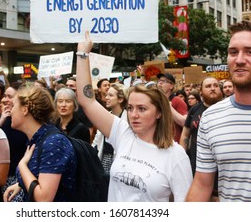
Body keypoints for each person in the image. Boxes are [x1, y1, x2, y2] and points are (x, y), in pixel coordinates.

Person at [76, 31, 192, 202]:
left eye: (142, 109)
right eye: (130, 108)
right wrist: (83, 54)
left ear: (159, 112)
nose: (133, 115)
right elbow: (88, 101)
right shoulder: (123, 134)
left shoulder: (176, 155)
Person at [186, 20, 251, 202]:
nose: (239, 60)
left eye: (250, 51)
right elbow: (201, 184)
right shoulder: (210, 118)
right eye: (233, 52)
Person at [3, 85, 77, 202]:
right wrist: (20, 185)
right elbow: (38, 177)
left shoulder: (54, 143)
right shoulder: (37, 138)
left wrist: (22, 166)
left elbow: (44, 199)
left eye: (13, 106)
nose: (10, 111)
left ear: (25, 109)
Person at [180, 77, 223, 175]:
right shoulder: (194, 110)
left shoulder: (227, 109)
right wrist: (182, 156)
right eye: (208, 86)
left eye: (216, 86)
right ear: (201, 92)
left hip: (222, 167)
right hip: (198, 165)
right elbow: (185, 134)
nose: (212, 88)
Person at [0, 82, 28, 201]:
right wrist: (0, 122)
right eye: (4, 96)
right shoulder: (1, 119)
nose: (5, 100)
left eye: (10, 97)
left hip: (18, 178)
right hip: (0, 176)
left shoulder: (25, 122)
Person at [92, 83, 128, 174]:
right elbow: (97, 140)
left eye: (111, 95)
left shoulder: (129, 119)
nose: (106, 97)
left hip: (122, 163)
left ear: (120, 99)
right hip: (104, 159)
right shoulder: (105, 117)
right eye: (107, 94)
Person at [157, 72, 188, 143]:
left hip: (173, 143)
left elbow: (184, 122)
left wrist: (168, 106)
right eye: (159, 81)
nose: (160, 83)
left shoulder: (177, 100)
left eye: (164, 81)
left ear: (171, 86)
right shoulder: (155, 100)